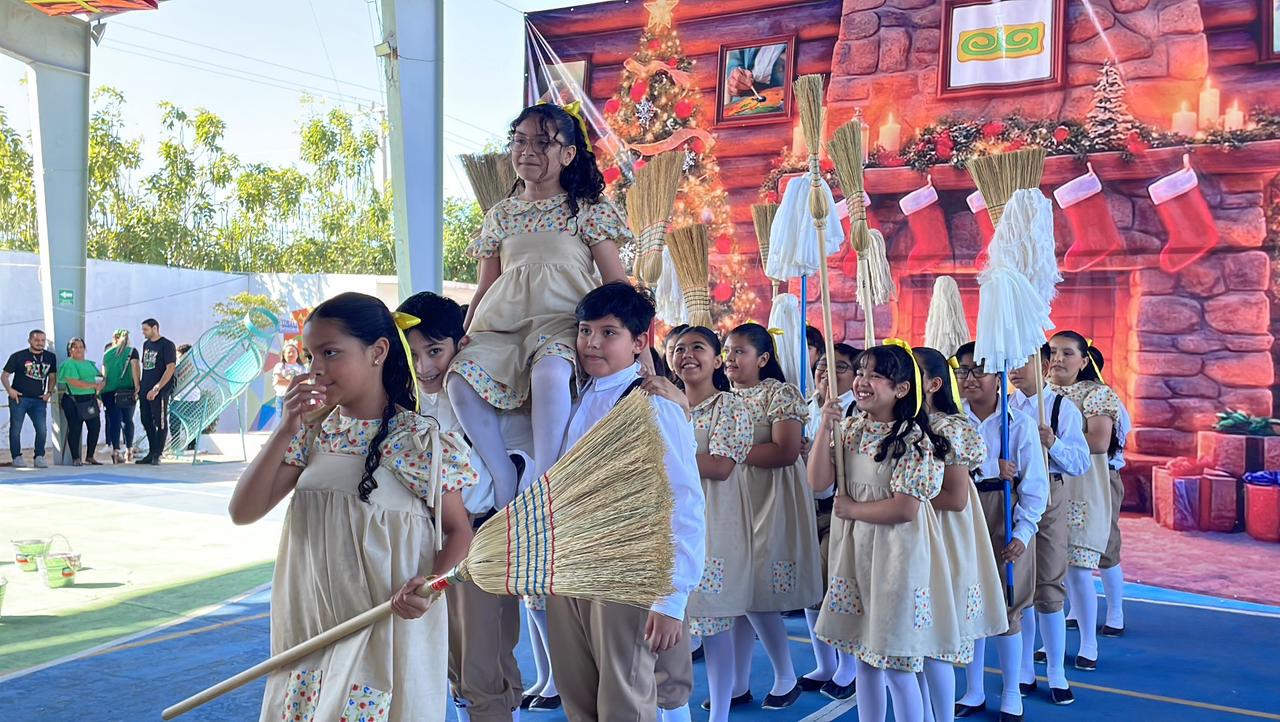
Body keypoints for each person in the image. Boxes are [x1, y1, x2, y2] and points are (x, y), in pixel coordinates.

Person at [228, 292, 476, 722]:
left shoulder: (418, 442)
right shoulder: (312, 434)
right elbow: (243, 511)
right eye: (311, 355)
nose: (316, 369)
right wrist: (285, 428)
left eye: (330, 353)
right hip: (309, 632)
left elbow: (459, 531)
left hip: (382, 634)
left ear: (378, 352)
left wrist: (431, 586)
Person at [447, 102, 630, 523]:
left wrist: (638, 346)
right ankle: (503, 476)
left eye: (542, 143)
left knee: (549, 373)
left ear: (568, 153)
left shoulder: (587, 209)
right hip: (502, 325)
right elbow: (485, 285)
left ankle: (548, 481)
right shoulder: (500, 214)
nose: (527, 150)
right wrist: (464, 334)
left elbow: (616, 283)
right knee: (459, 376)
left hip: (564, 322)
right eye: (519, 141)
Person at [544, 282, 704, 722]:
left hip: (625, 569)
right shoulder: (574, 395)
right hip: (571, 566)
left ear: (638, 342)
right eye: (585, 330)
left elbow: (684, 501)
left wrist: (671, 599)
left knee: (624, 699)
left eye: (608, 332)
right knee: (579, 697)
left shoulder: (652, 404)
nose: (592, 343)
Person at [396, 290, 533, 721]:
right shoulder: (410, 403)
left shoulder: (477, 394)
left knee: (481, 663)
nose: (424, 366)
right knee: (458, 661)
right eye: (413, 354)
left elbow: (504, 472)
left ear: (462, 343)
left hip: (479, 540)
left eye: (434, 351)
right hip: (433, 541)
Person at [808, 343, 958, 722]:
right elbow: (818, 482)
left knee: (896, 663)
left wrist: (853, 510)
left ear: (902, 389)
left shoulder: (914, 439)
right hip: (856, 552)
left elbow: (905, 508)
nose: (862, 381)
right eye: (860, 372)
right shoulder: (850, 428)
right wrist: (825, 425)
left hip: (896, 556)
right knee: (865, 658)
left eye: (875, 375)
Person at [723, 322, 822, 711]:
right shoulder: (723, 396)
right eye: (727, 351)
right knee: (737, 595)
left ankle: (785, 675)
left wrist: (725, 452)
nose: (730, 358)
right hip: (736, 497)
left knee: (755, 591)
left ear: (763, 358)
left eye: (740, 351)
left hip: (772, 498)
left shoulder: (780, 394)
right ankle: (737, 682)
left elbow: (785, 450)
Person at [953, 342, 1048, 722]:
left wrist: (1023, 533)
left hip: (1004, 517)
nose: (969, 378)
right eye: (963, 370)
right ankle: (973, 690)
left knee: (1009, 607)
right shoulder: (952, 421)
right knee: (969, 603)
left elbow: (1035, 486)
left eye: (979, 370)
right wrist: (991, 467)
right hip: (962, 514)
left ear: (999, 377)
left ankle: (1011, 691)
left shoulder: (1018, 424)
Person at [914, 346, 1006, 722]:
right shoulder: (896, 425)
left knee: (936, 635)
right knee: (912, 640)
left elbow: (954, 497)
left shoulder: (949, 428)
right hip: (908, 533)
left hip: (943, 534)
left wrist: (900, 495)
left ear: (934, 384)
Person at [670, 325, 753, 722]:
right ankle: (671, 708)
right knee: (670, 620)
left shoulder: (730, 407)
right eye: (678, 348)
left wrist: (664, 458)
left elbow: (721, 466)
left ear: (717, 360)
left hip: (714, 524)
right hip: (669, 524)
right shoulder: (663, 405)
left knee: (714, 623)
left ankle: (720, 712)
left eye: (697, 347)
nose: (687, 355)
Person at [1007, 347, 1090, 705]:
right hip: (1012, 496)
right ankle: (1024, 668)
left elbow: (1081, 462)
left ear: (1043, 366)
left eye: (1022, 362)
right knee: (1019, 586)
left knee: (1050, 585)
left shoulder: (1060, 408)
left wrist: (1052, 442)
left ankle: (1056, 670)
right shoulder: (1004, 408)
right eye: (1010, 363)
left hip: (1051, 496)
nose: (1014, 370)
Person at [1045, 331, 1122, 671]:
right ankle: (1051, 643)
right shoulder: (1040, 394)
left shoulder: (1096, 394)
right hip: (1048, 487)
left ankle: (1089, 641)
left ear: (1083, 360)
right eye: (1052, 352)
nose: (1058, 359)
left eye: (1067, 353)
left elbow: (1099, 441)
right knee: (1048, 573)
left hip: (1083, 488)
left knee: (1077, 569)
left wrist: (1053, 440)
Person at [800, 342, 860, 699]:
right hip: (806, 506)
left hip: (839, 509)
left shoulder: (855, 412)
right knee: (811, 586)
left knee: (838, 586)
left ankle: (847, 665)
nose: (827, 372)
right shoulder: (808, 405)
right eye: (823, 364)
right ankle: (824, 662)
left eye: (840, 367)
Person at [1089, 345, 1131, 640]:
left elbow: (1116, 441)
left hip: (1104, 475)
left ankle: (1116, 612)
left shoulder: (1106, 399)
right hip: (1074, 477)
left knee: (1106, 544)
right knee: (1071, 547)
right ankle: (1077, 611)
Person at [4, 329, 56, 468]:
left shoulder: (50, 357)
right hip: (19, 398)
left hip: (39, 400)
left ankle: (39, 456)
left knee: (42, 429)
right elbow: (4, 375)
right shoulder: (18, 356)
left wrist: (49, 392)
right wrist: (10, 390)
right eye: (37, 340)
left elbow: (52, 377)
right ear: (30, 341)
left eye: (42, 340)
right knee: (16, 429)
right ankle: (16, 457)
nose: (40, 343)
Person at [58, 338, 104, 467]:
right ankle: (76, 458)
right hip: (74, 400)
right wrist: (93, 385)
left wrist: (102, 383)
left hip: (89, 400)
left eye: (81, 346)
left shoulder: (89, 364)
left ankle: (90, 456)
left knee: (95, 427)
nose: (78, 349)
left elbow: (100, 376)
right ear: (70, 350)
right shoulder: (68, 364)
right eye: (75, 347)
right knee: (75, 428)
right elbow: (74, 381)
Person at [137, 318, 177, 465]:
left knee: (160, 421)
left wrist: (157, 387)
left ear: (155, 328)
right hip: (145, 388)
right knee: (145, 420)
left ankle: (158, 454)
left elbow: (170, 368)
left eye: (146, 329)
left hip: (159, 390)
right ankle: (152, 451)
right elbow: (145, 367)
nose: (143, 333)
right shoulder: (146, 345)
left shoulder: (167, 345)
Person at [101, 329, 141, 464]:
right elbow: (135, 368)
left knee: (114, 421)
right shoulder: (132, 351)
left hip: (109, 392)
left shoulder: (107, 354)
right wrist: (137, 387)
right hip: (126, 391)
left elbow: (104, 375)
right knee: (127, 420)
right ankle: (129, 450)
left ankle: (116, 451)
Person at [272, 343, 306, 423]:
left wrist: (287, 380)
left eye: (293, 351)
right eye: (288, 352)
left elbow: (305, 382)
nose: (291, 354)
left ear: (297, 354)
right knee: (282, 422)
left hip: (298, 398)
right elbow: (278, 381)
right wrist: (295, 381)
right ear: (284, 354)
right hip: (282, 398)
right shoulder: (280, 366)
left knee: (298, 422)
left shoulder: (302, 368)